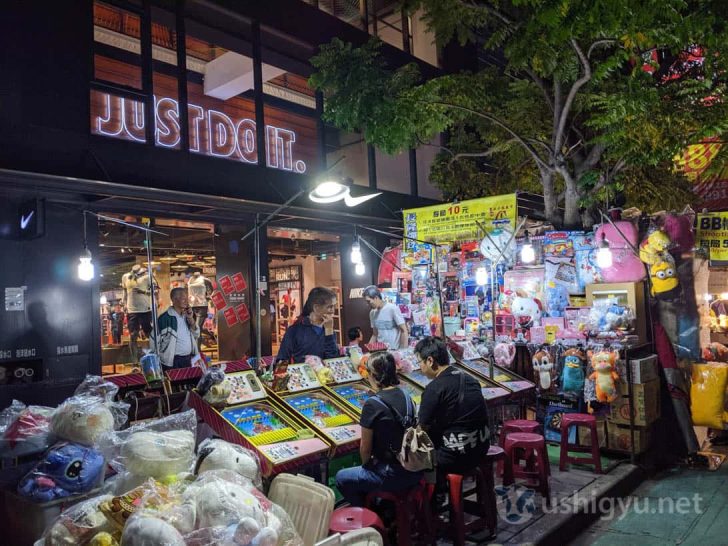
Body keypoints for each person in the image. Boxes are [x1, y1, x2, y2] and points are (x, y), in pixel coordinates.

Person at [335, 352, 422, 506]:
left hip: (391, 473)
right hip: (414, 468)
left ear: (374, 375)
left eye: (367, 371)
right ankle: (386, 508)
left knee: (341, 477)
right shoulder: (406, 395)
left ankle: (372, 514)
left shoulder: (372, 404)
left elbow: (365, 449)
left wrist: (367, 467)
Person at [415, 336, 490, 477]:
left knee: (413, 456)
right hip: (481, 448)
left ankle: (433, 495)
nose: (420, 367)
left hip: (454, 457)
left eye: (419, 362)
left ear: (430, 361)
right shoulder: (470, 379)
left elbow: (421, 430)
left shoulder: (434, 389)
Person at [276, 287, 339, 362]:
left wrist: (329, 332)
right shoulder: (294, 331)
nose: (333, 311)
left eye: (334, 306)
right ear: (316, 307)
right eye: (330, 307)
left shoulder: (330, 332)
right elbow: (282, 359)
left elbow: (334, 361)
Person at [155, 287, 200, 369]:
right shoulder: (164, 318)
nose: (186, 301)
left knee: (190, 381)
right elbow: (156, 342)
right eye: (183, 298)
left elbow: (196, 334)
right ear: (174, 300)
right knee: (175, 381)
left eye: (187, 298)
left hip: (189, 358)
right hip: (173, 361)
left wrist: (190, 318)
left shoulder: (187, 316)